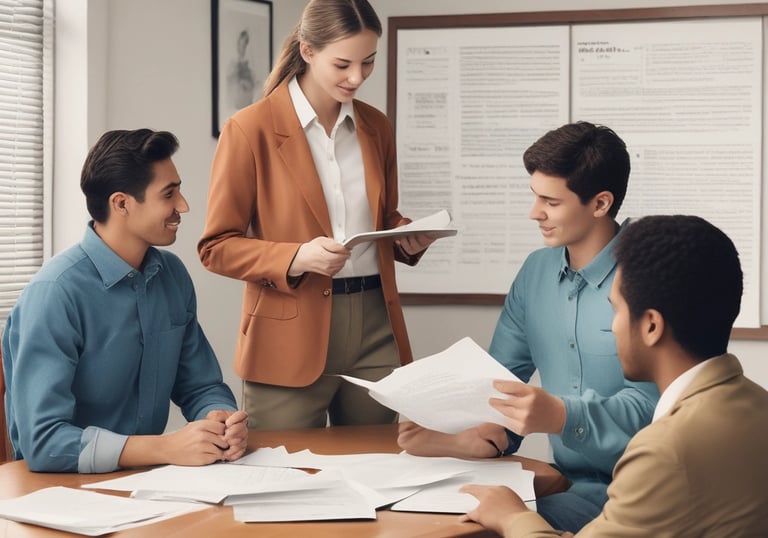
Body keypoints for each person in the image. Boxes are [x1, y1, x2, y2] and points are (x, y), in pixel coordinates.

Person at [398, 122, 659, 532]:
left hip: (646, 492)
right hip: (564, 484)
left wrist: (557, 413)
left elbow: (656, 408)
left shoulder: (650, 277)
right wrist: (472, 435)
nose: (534, 212)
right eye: (534, 196)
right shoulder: (536, 272)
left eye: (550, 202)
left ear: (600, 203)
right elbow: (499, 382)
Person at [198, 0, 436, 430]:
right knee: (284, 476)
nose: (357, 77)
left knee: (377, 472)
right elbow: (216, 248)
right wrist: (296, 258)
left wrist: (406, 237)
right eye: (342, 64)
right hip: (288, 328)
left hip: (374, 323)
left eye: (368, 62)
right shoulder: (249, 129)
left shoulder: (376, 127)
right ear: (307, 51)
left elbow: (384, 217)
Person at [461, 214, 768, 536]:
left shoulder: (663, 450)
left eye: (616, 310)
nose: (614, 326)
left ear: (651, 326)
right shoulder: (757, 405)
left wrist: (511, 516)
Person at [1, 128, 247, 473]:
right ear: (122, 204)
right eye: (169, 194)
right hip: (60, 491)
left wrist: (219, 420)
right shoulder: (55, 294)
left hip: (147, 482)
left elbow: (201, 384)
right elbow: (44, 443)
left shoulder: (171, 274)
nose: (184, 206)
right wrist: (165, 447)